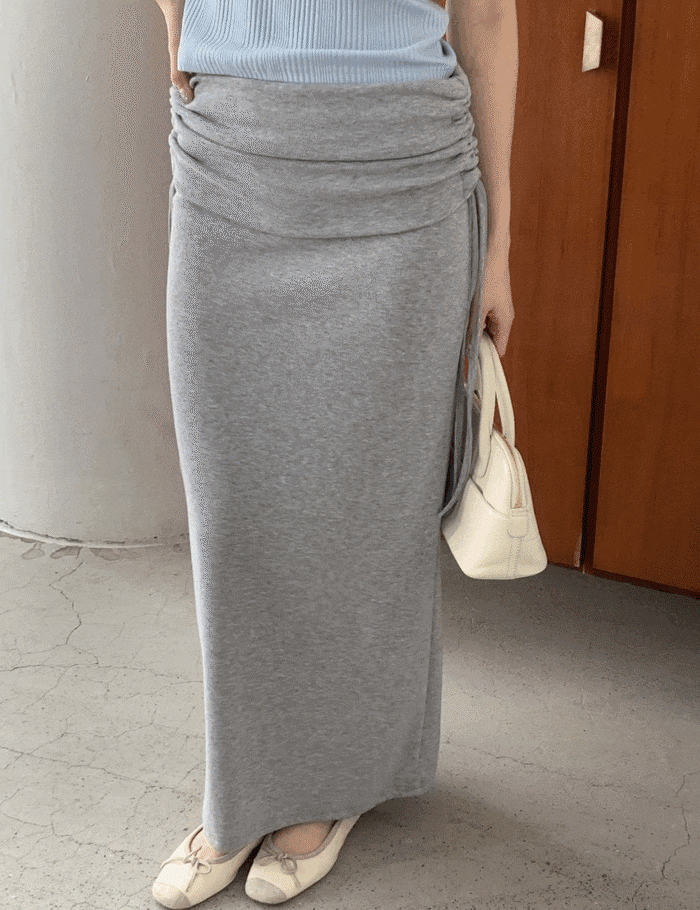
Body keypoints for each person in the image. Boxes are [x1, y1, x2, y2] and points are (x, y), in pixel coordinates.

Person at [151, 0, 517, 905]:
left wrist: (500, 246)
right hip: (234, 153)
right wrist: (175, 27)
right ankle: (242, 793)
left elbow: (486, 16)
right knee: (235, 516)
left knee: (364, 513)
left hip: (403, 171)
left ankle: (330, 787)